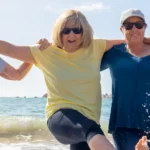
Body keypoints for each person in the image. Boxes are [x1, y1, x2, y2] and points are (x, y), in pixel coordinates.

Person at [0, 9, 129, 150]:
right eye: (65, 30)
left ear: (84, 31)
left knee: (90, 133)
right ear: (59, 32)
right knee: (93, 132)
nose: (71, 34)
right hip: (60, 117)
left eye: (76, 30)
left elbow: (131, 42)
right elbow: (10, 49)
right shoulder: (45, 51)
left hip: (89, 120)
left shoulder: (96, 46)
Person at [101, 8, 150, 150]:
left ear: (145, 27)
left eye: (139, 24)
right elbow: (84, 62)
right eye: (128, 25)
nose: (134, 28)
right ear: (122, 29)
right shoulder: (114, 53)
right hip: (123, 125)